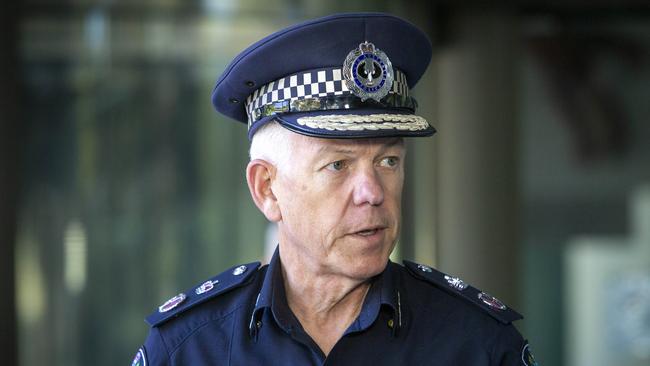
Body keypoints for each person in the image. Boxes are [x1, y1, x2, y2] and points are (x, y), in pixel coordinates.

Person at [132, 12, 537, 366]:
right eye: (338, 165)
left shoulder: (479, 346)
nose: (372, 192)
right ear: (267, 189)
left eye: (388, 161)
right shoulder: (187, 350)